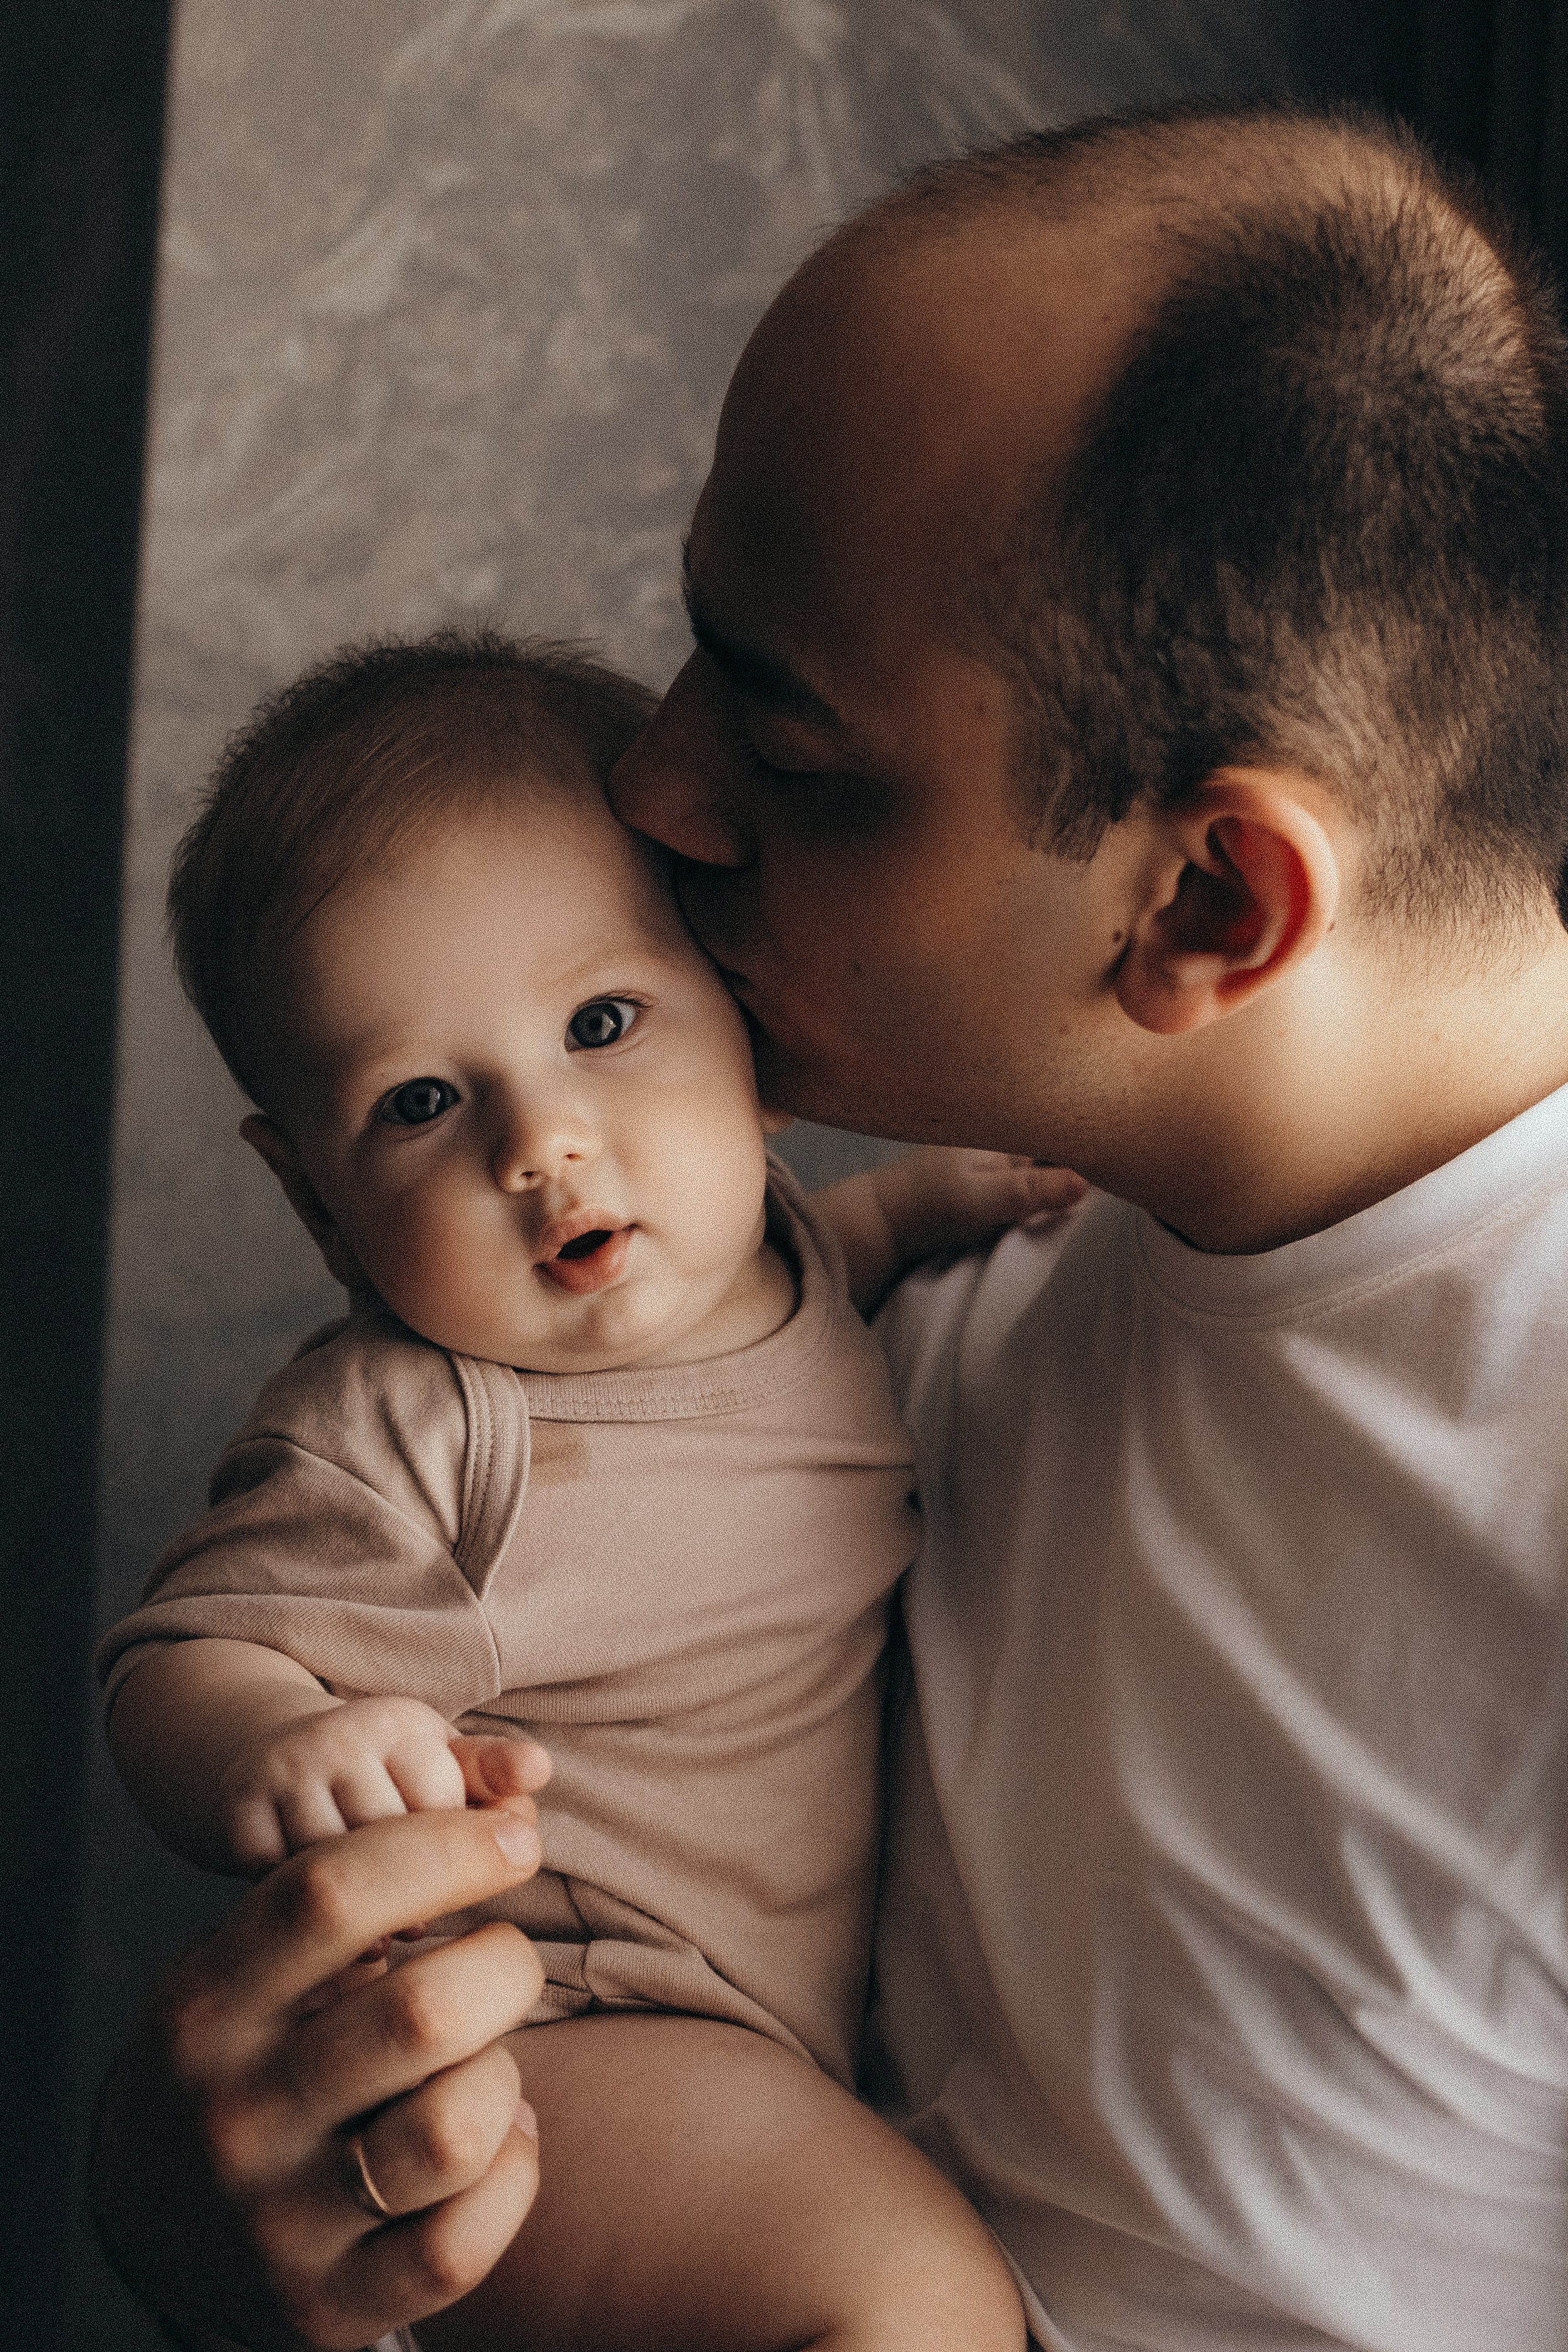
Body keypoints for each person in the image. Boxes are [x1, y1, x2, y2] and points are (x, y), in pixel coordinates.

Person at [91, 95, 1568, 2352]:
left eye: (780, 739)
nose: (655, 794)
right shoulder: (923, 1300)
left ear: (1206, 899)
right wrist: (201, 2188)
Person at [97, 631, 1057, 2351]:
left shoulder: (772, 1264)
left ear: (742, 1012)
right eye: (418, 1103)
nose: (539, 1144)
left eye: (602, 1024)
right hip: (558, 2042)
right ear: (316, 1201)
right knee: (908, 2304)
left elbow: (817, 1259)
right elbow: (170, 1655)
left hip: (753, 2048)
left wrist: (924, 1207)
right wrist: (273, 1742)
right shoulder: (422, 1425)